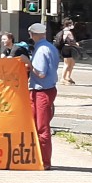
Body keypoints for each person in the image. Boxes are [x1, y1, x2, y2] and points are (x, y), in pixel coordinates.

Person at [26, 22, 59, 169]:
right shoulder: (51, 47)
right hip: (48, 89)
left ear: (33, 34)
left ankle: (44, 161)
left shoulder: (40, 50)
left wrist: (28, 64)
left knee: (41, 126)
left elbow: (40, 73)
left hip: (41, 91)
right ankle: (40, 158)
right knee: (40, 124)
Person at [55, 18, 80, 85]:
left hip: (65, 48)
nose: (72, 25)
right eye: (71, 24)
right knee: (67, 64)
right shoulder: (68, 32)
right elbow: (72, 41)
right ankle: (63, 78)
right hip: (68, 49)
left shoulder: (62, 31)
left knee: (71, 63)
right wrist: (76, 44)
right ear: (69, 24)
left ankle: (67, 77)